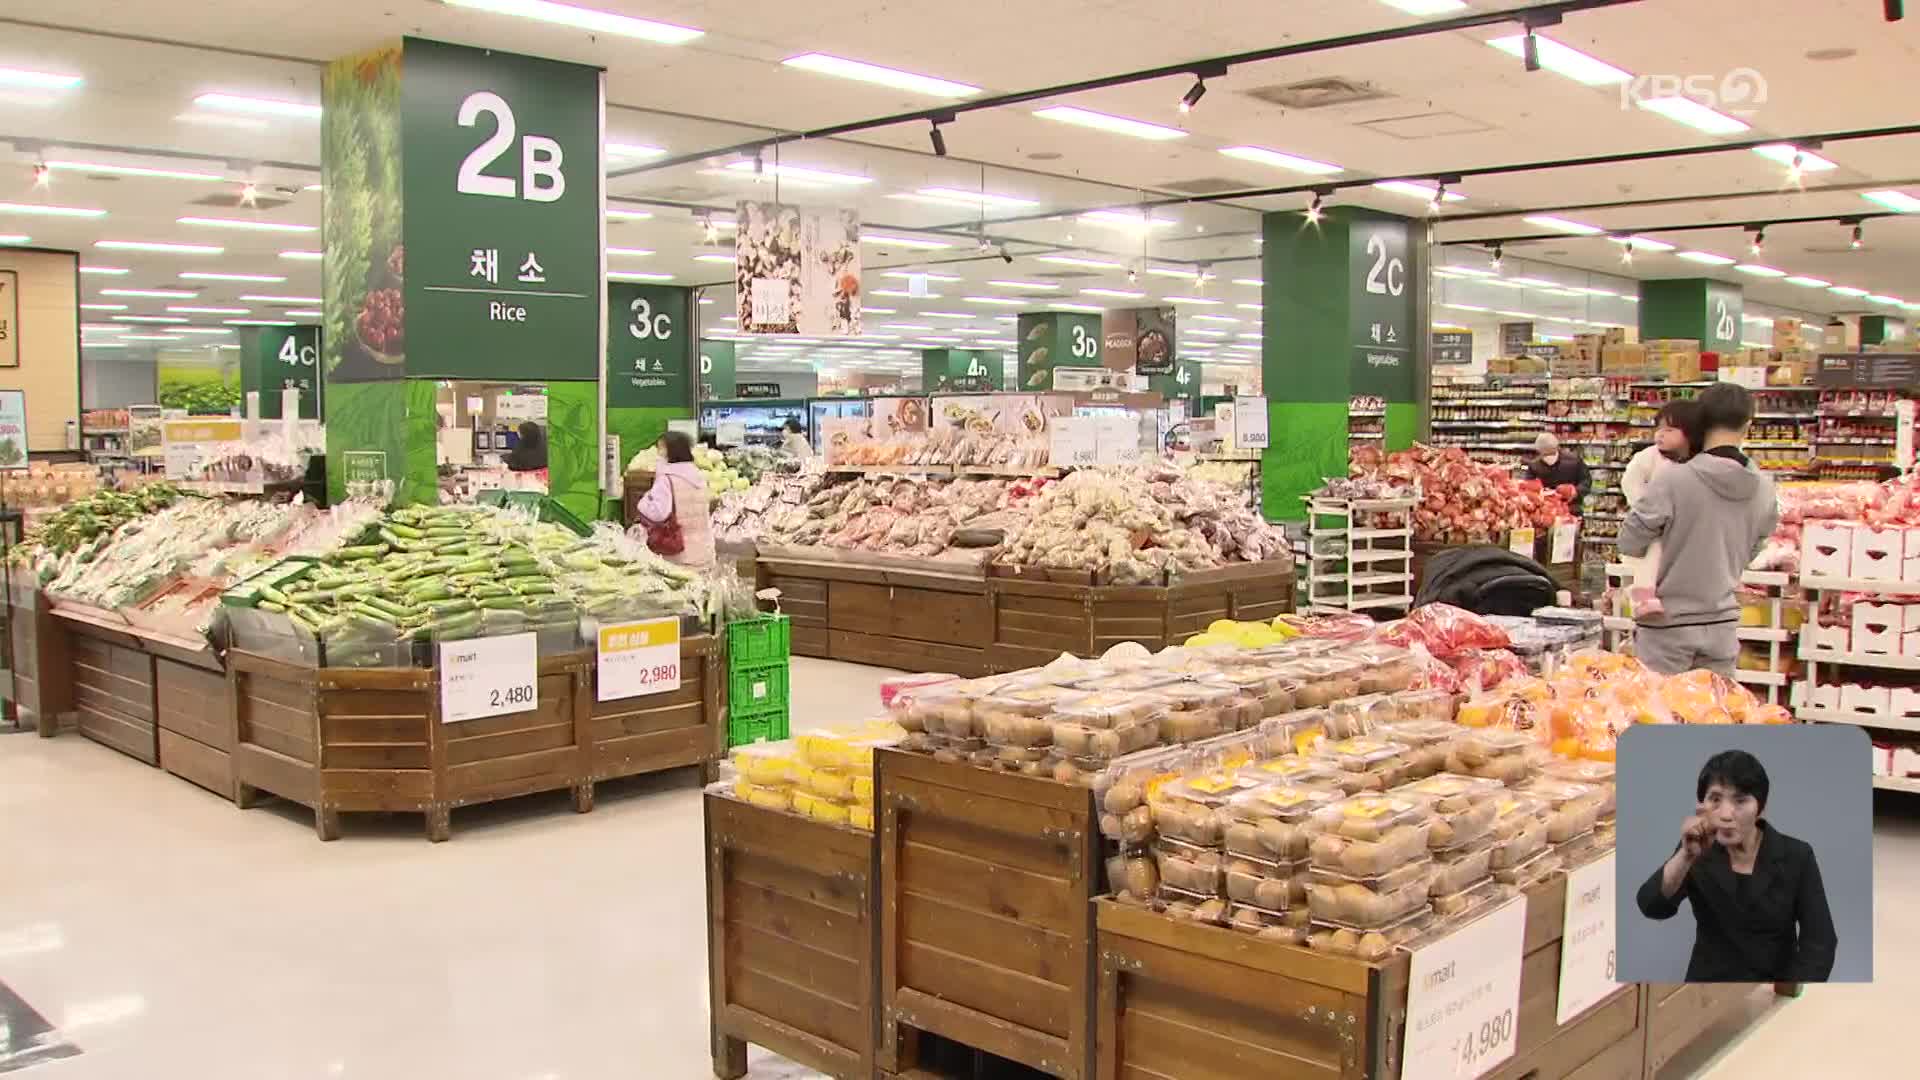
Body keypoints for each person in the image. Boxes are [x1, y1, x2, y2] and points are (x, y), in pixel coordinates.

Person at [1619, 383, 1778, 676]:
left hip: (1666, 626)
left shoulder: (1673, 480)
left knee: (1659, 714)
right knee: (1713, 714)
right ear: (1748, 425)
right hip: (1722, 625)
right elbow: (1753, 550)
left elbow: (1629, 540)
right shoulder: (1765, 488)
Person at [1636, 750, 1837, 983]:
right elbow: (1651, 905)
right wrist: (1684, 857)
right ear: (1702, 805)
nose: (1726, 814)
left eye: (1740, 801)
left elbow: (1820, 943)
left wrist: (1790, 993)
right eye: (1715, 800)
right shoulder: (1696, 850)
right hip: (1708, 988)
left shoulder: (1796, 855)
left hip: (1774, 987)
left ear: (1760, 808)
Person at [1619, 400, 1706, 620]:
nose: (1660, 435)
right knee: (1654, 550)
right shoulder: (1648, 457)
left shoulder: (1699, 462)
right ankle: (1644, 596)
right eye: (1658, 429)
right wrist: (1643, 505)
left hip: (1688, 530)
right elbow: (1631, 481)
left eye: (1669, 430)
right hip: (1654, 525)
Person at [632, 430, 714, 567]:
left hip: (678, 553)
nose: (658, 452)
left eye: (661, 448)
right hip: (703, 550)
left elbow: (658, 513)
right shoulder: (699, 476)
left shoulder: (666, 479)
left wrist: (645, 501)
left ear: (670, 450)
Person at [1525, 433, 1591, 514]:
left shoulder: (1574, 460)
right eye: (1545, 454)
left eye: (1551, 453)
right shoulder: (1534, 466)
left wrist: (1575, 491)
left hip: (1571, 509)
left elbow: (1586, 481)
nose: (1548, 457)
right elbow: (1527, 488)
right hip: (1546, 511)